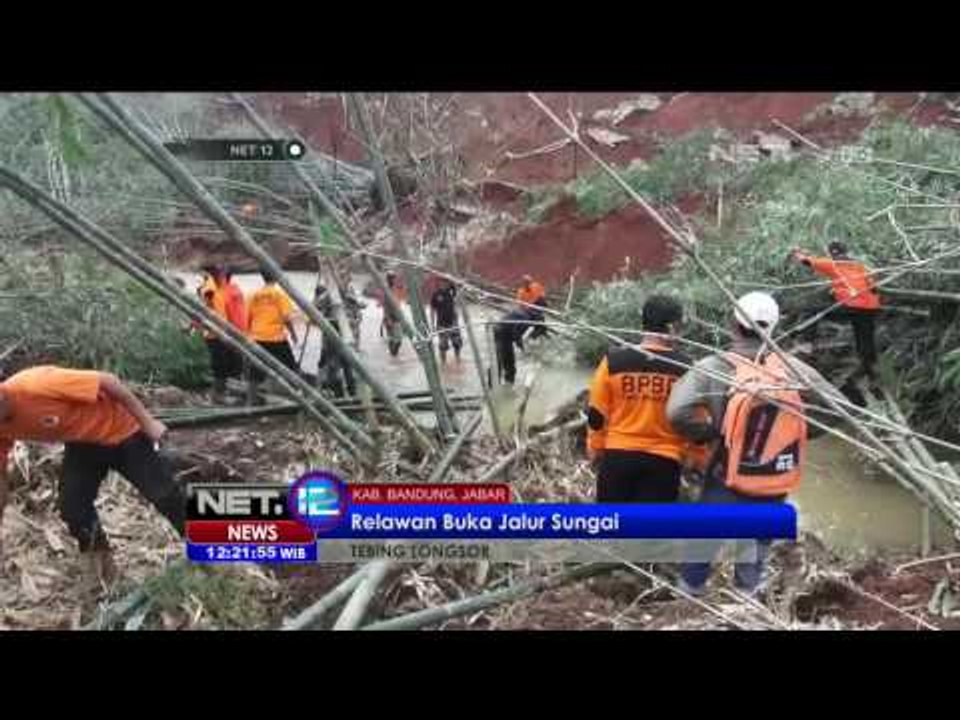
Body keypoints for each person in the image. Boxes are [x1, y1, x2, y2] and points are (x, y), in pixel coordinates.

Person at [666, 291, 844, 597]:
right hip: (774, 476)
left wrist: (710, 432)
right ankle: (746, 598)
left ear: (733, 324)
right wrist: (800, 432)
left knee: (705, 537)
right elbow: (841, 408)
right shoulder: (794, 369)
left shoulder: (713, 366)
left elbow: (676, 412)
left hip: (727, 473)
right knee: (754, 542)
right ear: (773, 328)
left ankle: (689, 594)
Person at [0, 366, 185, 588]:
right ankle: (104, 575)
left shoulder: (36, 384)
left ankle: (210, 547)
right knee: (73, 508)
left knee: (165, 494)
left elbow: (108, 381)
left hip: (123, 432)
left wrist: (148, 423)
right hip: (83, 444)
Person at [587, 295, 691, 503]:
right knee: (649, 533)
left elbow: (596, 413)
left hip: (617, 458)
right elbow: (694, 419)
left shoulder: (614, 361)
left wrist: (595, 449)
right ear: (671, 328)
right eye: (679, 326)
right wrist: (696, 456)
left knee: (612, 527)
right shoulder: (686, 368)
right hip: (664, 463)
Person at [792, 242, 881, 378]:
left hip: (851, 305)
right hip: (870, 307)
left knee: (812, 311)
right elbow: (873, 288)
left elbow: (806, 261)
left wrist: (796, 251)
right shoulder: (860, 266)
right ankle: (871, 370)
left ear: (832, 253)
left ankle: (806, 342)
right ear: (846, 252)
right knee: (864, 338)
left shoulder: (833, 264)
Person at [246, 270, 300, 404]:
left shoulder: (254, 295)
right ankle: (297, 396)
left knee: (255, 369)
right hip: (275, 337)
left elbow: (248, 316)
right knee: (290, 367)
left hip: (257, 336)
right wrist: (293, 334)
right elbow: (286, 317)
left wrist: (248, 334)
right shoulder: (279, 295)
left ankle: (251, 399)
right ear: (275, 278)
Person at [199, 266, 248, 403]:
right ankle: (218, 396)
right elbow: (209, 310)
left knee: (233, 366)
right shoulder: (214, 289)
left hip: (231, 334)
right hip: (218, 335)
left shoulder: (231, 289)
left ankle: (231, 393)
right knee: (222, 367)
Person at [314, 283, 356, 398]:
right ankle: (337, 393)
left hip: (343, 338)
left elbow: (355, 312)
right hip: (332, 339)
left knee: (347, 367)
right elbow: (316, 310)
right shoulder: (326, 297)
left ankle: (350, 393)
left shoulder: (348, 297)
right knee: (333, 366)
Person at [430, 278, 463, 364]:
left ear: (449, 283)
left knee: (457, 343)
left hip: (453, 322)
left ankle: (458, 359)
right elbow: (432, 310)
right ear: (440, 283)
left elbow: (460, 287)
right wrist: (432, 324)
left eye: (446, 282)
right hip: (441, 323)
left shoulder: (452, 291)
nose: (444, 284)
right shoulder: (436, 294)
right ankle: (443, 363)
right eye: (442, 282)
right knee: (443, 346)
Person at [516, 274, 548, 340]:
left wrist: (539, 298)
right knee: (538, 318)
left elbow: (543, 294)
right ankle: (538, 332)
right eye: (526, 283)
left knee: (541, 303)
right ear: (523, 284)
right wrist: (528, 307)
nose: (527, 284)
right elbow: (521, 304)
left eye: (529, 282)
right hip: (529, 309)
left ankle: (540, 331)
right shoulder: (521, 291)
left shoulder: (536, 286)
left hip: (537, 305)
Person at [381, 271, 406, 357]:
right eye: (392, 278)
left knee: (398, 339)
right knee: (393, 339)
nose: (394, 280)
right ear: (388, 279)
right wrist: (387, 319)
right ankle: (393, 356)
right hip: (390, 317)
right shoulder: (386, 290)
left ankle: (393, 356)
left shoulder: (396, 289)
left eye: (394, 278)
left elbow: (400, 301)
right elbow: (385, 306)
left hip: (397, 317)